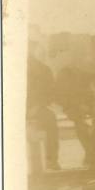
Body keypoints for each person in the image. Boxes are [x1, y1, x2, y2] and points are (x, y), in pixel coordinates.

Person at [54, 43, 95, 168]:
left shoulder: (94, 68)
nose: (82, 57)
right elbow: (59, 94)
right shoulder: (66, 72)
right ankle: (92, 155)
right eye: (78, 54)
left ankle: (89, 155)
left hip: (93, 104)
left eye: (84, 54)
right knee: (79, 122)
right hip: (73, 105)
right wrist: (75, 105)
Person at [27, 36, 60, 170]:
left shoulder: (43, 69)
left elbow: (50, 92)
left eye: (30, 47)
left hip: (37, 108)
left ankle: (51, 159)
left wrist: (37, 106)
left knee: (50, 118)